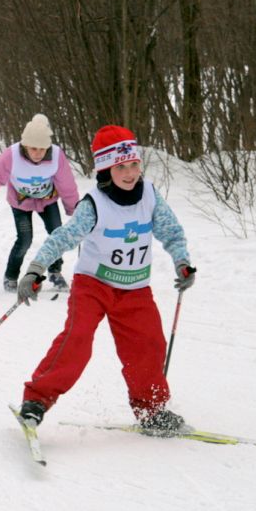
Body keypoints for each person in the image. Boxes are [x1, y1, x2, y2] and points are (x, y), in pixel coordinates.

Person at [15, 125, 197, 433]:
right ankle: (36, 401)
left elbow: (172, 231)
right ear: (105, 169)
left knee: (149, 345)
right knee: (77, 340)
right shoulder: (94, 204)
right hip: (94, 286)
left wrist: (182, 262)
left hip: (135, 288)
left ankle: (151, 411)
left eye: (134, 164)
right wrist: (36, 268)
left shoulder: (150, 196)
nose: (130, 173)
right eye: (120, 167)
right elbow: (63, 237)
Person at [0, 113, 80, 292]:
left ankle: (55, 272)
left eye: (42, 149)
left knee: (57, 235)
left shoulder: (56, 155)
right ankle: (11, 276)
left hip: (47, 200)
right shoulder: (12, 154)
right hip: (20, 203)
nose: (38, 153)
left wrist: (74, 208)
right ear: (25, 145)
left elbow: (67, 184)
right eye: (33, 148)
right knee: (25, 239)